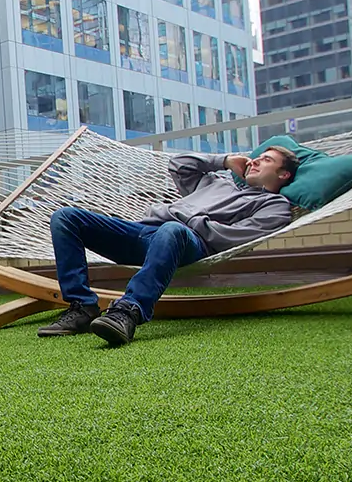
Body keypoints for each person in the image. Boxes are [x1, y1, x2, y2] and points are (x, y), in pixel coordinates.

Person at [38, 147, 300, 346]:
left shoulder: (275, 205)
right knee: (66, 217)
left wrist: (191, 221)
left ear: (283, 174)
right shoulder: (216, 182)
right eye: (257, 156)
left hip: (189, 243)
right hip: (143, 232)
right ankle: (82, 307)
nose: (255, 160)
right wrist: (223, 161)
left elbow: (239, 236)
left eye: (267, 160)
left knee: (172, 230)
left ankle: (128, 311)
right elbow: (179, 164)